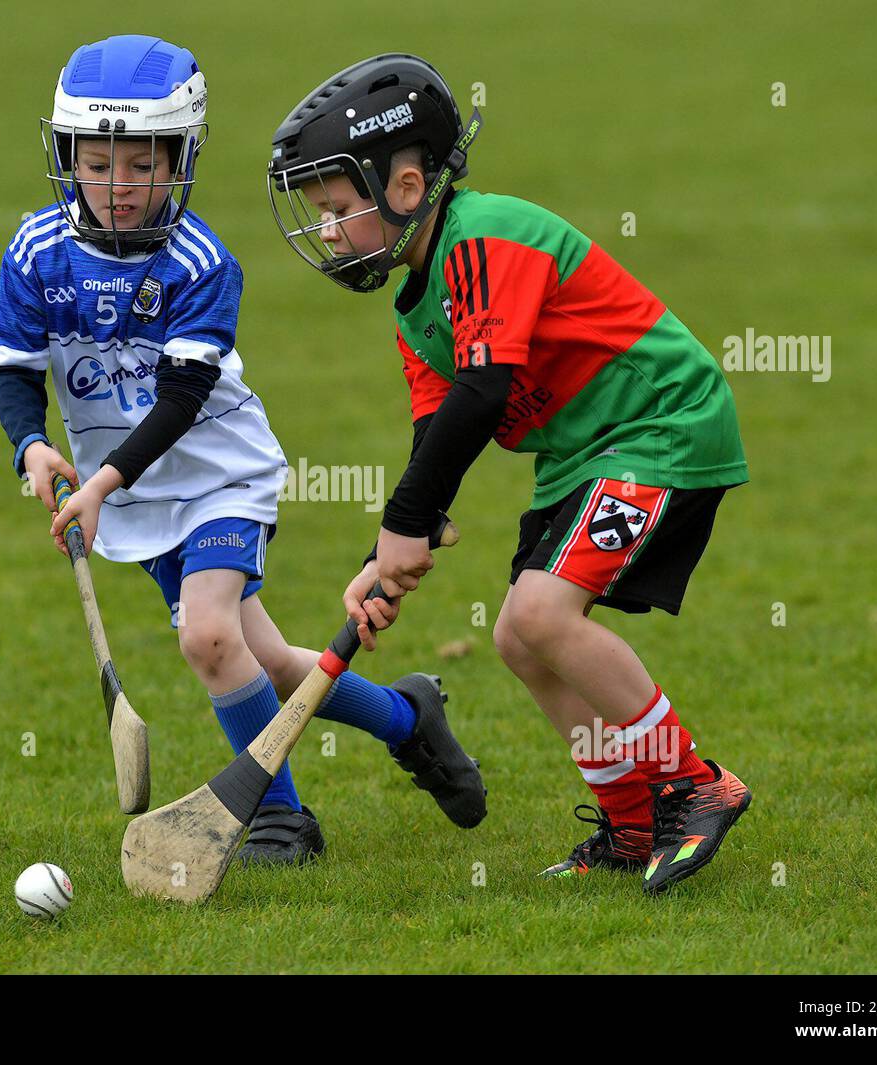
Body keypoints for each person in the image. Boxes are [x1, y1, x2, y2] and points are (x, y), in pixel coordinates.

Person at [0, 37, 487, 867]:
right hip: (138, 503)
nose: (116, 185)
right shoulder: (36, 250)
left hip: (221, 477)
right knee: (272, 661)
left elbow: (182, 400)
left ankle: (281, 818)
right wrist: (32, 447)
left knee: (208, 639)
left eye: (139, 165)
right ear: (66, 155)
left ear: (178, 157)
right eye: (97, 162)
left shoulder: (198, 263)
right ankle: (410, 718)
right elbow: (12, 370)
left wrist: (102, 482)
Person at [266, 54, 751, 894]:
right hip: (583, 453)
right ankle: (634, 822)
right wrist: (393, 549)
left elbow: (485, 390)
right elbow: (436, 445)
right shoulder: (415, 313)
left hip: (660, 423)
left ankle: (695, 784)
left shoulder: (485, 236)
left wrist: (405, 515)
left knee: (541, 609)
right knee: (517, 634)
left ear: (409, 187)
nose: (329, 231)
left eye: (340, 209)